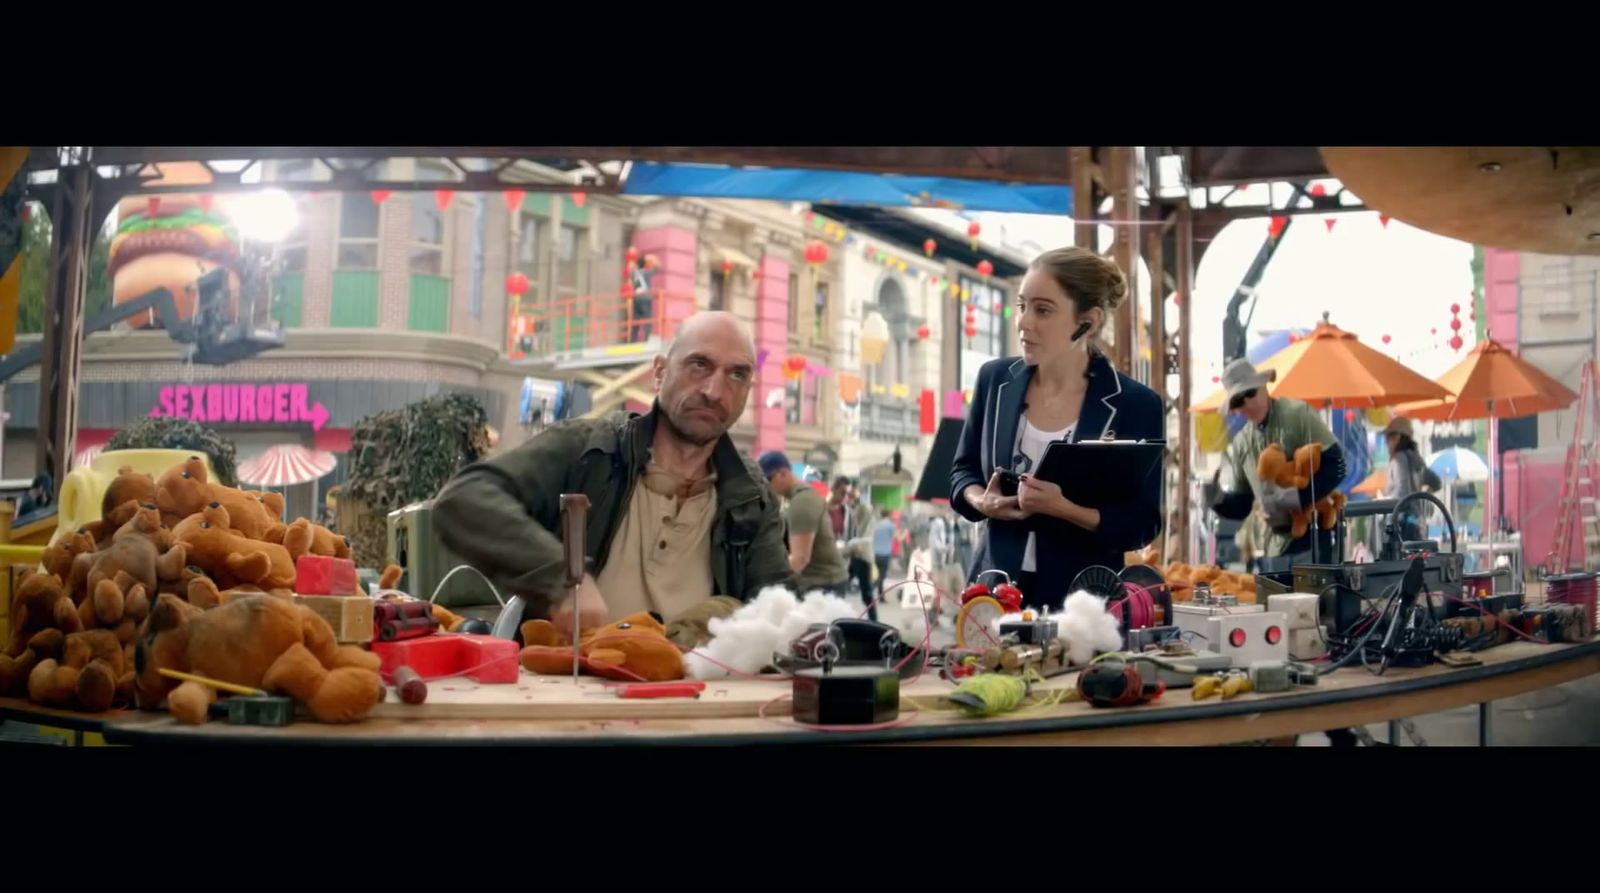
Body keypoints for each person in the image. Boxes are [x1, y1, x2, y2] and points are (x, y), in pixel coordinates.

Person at [434, 311, 792, 638]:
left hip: (694, 695)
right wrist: (561, 578)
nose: (715, 391)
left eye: (737, 374)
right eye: (699, 365)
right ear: (659, 372)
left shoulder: (750, 495)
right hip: (566, 693)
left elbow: (777, 611)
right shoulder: (588, 451)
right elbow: (465, 499)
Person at [950, 246, 1164, 611]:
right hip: (994, 592)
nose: (1023, 322)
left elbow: (1141, 523)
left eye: (1043, 310)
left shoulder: (1136, 403)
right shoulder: (993, 381)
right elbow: (962, 471)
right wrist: (981, 501)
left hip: (1086, 604)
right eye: (1022, 305)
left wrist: (1064, 508)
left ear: (1089, 322)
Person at [1207, 358, 1348, 567]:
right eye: (1238, 401)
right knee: (1274, 599)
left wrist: (1298, 497)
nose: (1248, 403)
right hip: (1271, 547)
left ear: (1263, 386)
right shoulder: (1241, 444)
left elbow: (1337, 465)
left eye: (1251, 393)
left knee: (1315, 600)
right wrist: (1218, 501)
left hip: (1314, 539)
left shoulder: (1297, 414)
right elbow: (1244, 504)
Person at [759, 452, 851, 599]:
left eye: (768, 480)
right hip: (823, 583)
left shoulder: (802, 501)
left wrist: (768, 586)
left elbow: (800, 558)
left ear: (783, 473)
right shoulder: (801, 498)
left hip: (822, 585)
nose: (766, 486)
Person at [1381, 416, 1438, 543]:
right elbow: (1436, 482)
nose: (1387, 444)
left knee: (1398, 561)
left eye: (1388, 439)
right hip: (1416, 522)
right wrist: (1426, 492)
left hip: (1401, 524)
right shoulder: (1417, 459)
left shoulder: (1398, 460)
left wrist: (1383, 502)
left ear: (1398, 437)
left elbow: (1402, 492)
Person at [872, 513, 896, 600]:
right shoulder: (890, 525)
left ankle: (879, 593)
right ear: (889, 516)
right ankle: (878, 592)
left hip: (876, 553)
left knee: (878, 574)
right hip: (885, 554)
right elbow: (897, 537)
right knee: (882, 575)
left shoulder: (876, 525)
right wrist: (905, 533)